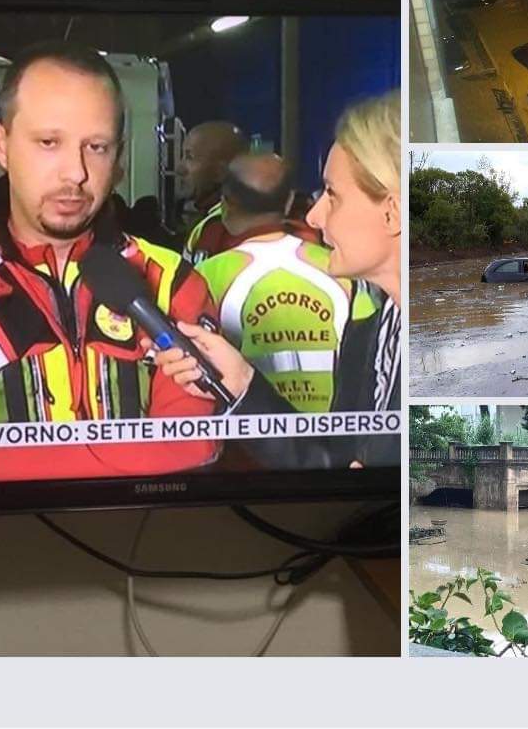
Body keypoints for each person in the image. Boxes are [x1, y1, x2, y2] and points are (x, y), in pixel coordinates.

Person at [0, 42, 219, 486]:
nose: (76, 173)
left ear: (119, 156)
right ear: (0, 144)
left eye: (97, 147)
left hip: (156, 546)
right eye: (49, 143)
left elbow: (191, 450)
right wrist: (134, 458)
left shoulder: (172, 283)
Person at [148, 92, 401, 468]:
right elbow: (329, 460)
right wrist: (241, 381)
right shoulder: (369, 328)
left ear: (393, 213)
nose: (313, 216)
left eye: (332, 195)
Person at [196, 153, 351, 413]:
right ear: (290, 201)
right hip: (337, 436)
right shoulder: (340, 270)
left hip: (249, 440)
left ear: (226, 204)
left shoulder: (206, 275)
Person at [177, 120, 248, 263]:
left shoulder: (227, 229)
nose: (180, 168)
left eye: (190, 157)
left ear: (221, 172)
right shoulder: (212, 222)